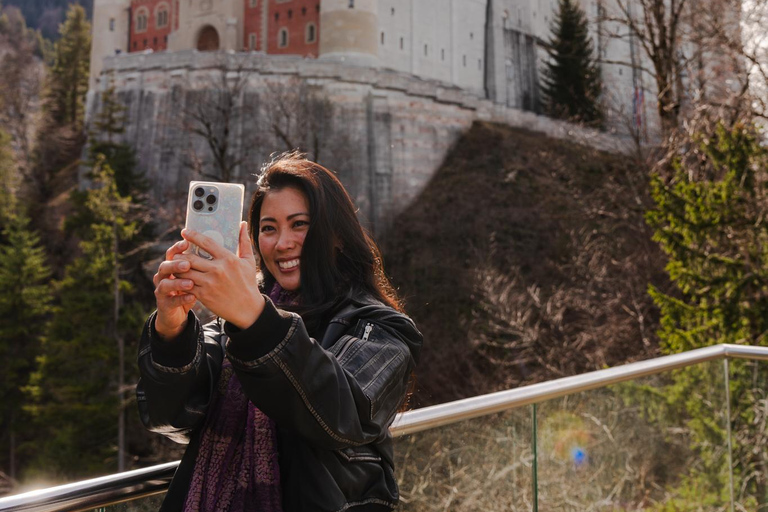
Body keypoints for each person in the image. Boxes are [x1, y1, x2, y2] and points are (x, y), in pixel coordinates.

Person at [137, 153, 422, 512]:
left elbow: (342, 414)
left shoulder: (383, 329)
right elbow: (168, 417)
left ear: (337, 235)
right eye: (269, 228)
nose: (282, 243)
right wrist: (171, 328)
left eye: (299, 224)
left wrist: (254, 317)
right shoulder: (236, 326)